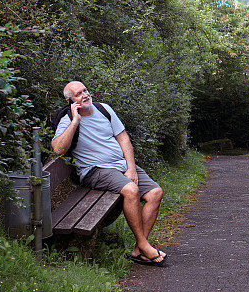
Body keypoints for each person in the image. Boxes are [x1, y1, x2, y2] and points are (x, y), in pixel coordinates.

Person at [52, 80, 167, 266]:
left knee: (155, 193)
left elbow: (123, 137)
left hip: (121, 166)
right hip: (95, 171)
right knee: (130, 190)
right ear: (70, 101)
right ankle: (144, 245)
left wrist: (131, 167)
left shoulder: (104, 109)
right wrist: (75, 121)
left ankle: (139, 249)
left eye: (85, 90)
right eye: (78, 94)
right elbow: (57, 149)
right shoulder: (67, 119)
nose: (85, 95)